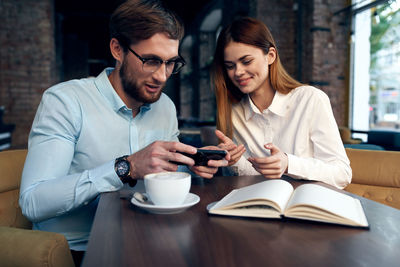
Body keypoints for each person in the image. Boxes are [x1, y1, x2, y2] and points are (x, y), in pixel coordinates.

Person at [19, 0, 228, 265]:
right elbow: (33, 201)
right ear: (117, 50)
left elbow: (165, 174)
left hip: (154, 238)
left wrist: (192, 163)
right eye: (151, 61)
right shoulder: (65, 102)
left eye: (170, 63)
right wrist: (125, 167)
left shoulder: (165, 106)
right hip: (80, 250)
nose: (162, 76)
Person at [211, 17, 351, 189]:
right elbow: (254, 177)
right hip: (263, 207)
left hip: (308, 207)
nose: (238, 72)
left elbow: (342, 174)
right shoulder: (235, 114)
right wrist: (234, 160)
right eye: (230, 66)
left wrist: (288, 163)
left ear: (270, 56)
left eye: (246, 61)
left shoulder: (310, 99)